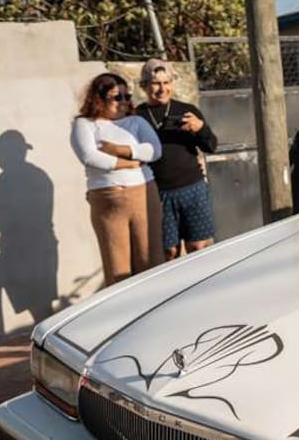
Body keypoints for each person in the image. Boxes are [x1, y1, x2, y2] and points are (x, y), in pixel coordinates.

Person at [71, 73, 163, 286]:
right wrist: (130, 163)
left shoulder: (136, 121)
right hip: (108, 198)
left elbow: (154, 150)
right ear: (99, 99)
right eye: (116, 97)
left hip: (143, 194)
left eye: (126, 96)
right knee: (117, 268)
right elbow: (90, 157)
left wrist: (118, 150)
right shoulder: (85, 124)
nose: (123, 102)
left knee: (150, 259)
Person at [135, 59, 219, 261]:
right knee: (168, 252)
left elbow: (211, 146)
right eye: (156, 83)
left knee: (198, 248)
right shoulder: (137, 116)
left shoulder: (187, 110)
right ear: (144, 85)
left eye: (166, 82)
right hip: (158, 193)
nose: (162, 89)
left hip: (193, 188)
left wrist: (200, 128)